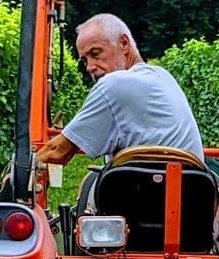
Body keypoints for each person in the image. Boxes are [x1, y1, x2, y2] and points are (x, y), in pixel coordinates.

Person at [36, 14, 205, 168]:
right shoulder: (163, 76)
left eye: (96, 54)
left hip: (147, 196)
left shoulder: (114, 84)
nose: (90, 67)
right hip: (193, 193)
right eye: (85, 60)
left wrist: (19, 174)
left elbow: (57, 152)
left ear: (124, 44)